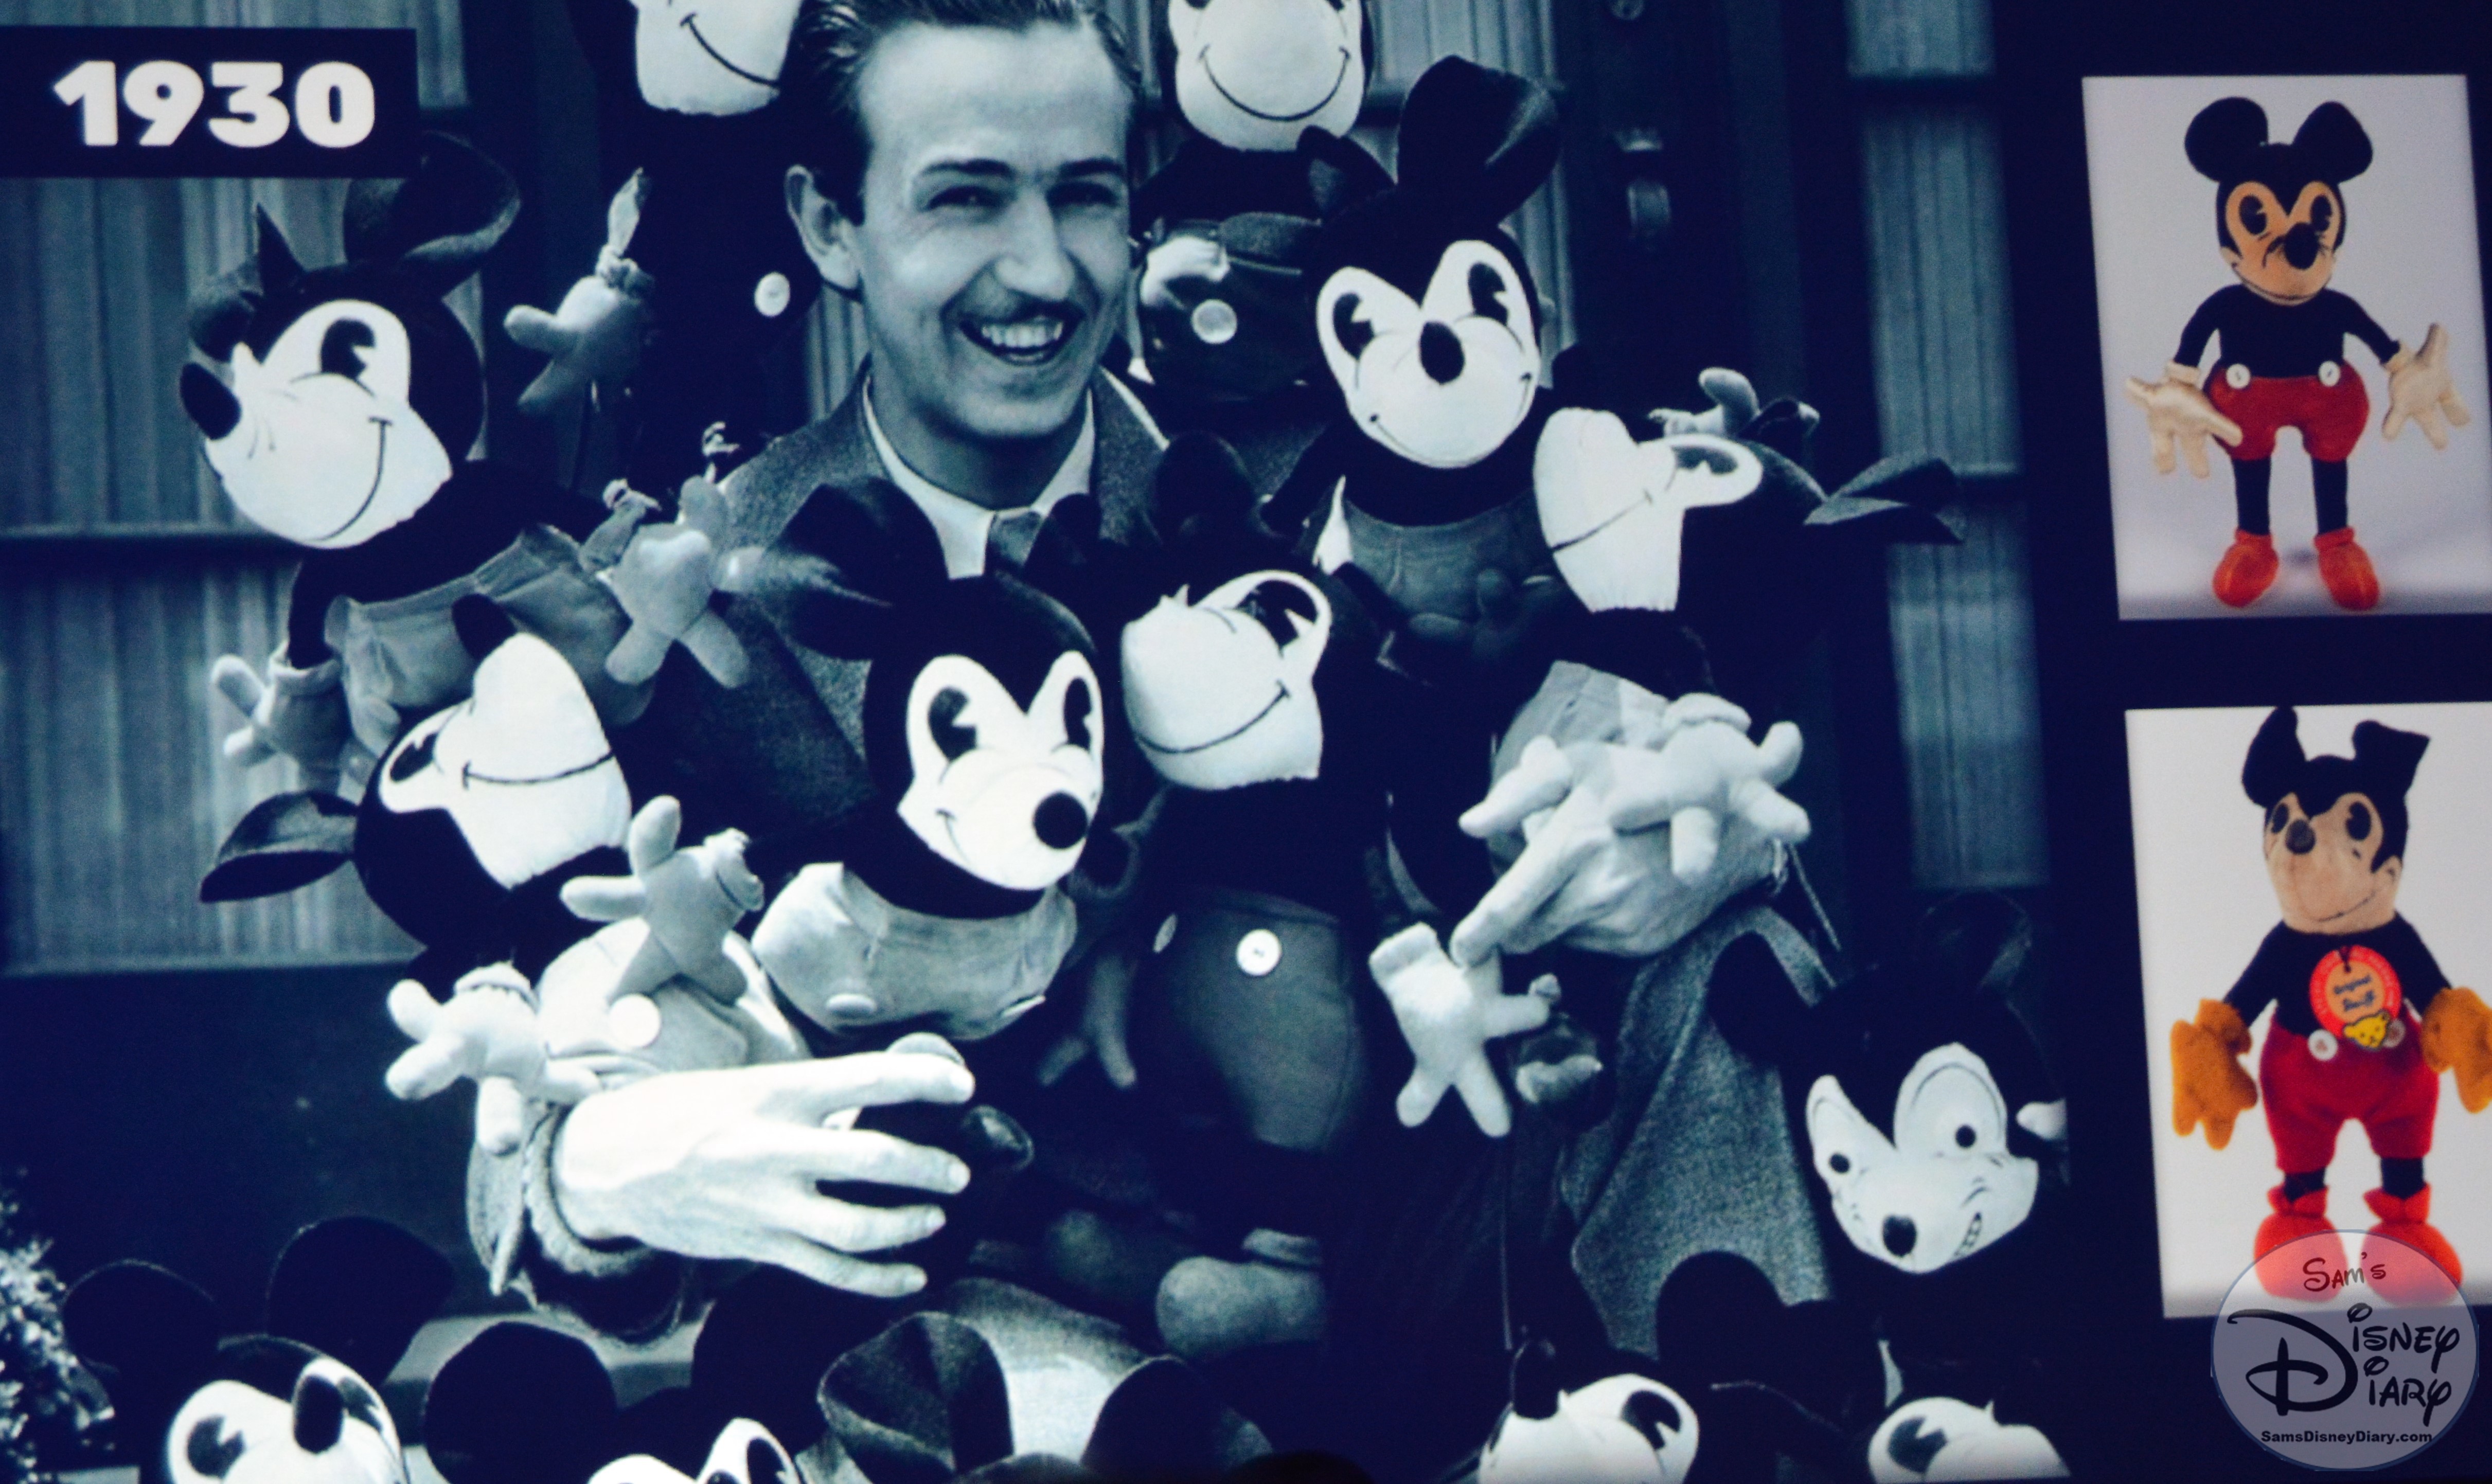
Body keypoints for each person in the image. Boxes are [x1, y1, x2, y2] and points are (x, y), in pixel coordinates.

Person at [465, 0, 1164, 1342]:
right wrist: (596, 1169)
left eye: (1085, 196)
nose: (1041, 270)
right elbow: (534, 1083)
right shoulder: (695, 588)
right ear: (828, 225)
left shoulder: (1290, 529)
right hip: (864, 1365)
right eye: (963, 198)